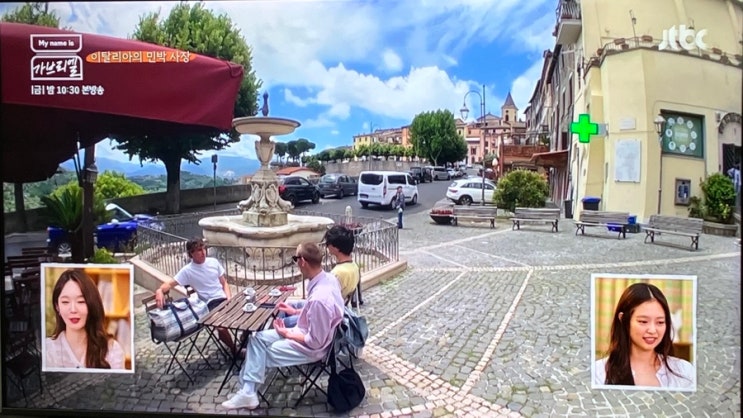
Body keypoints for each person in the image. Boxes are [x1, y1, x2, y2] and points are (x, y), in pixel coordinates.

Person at [221, 242, 345, 410]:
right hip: (303, 331)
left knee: (258, 353)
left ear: (302, 261)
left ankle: (247, 392)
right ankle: (247, 392)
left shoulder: (319, 299)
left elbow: (315, 341)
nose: (296, 263)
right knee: (256, 339)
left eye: (295, 259)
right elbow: (316, 312)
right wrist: (295, 311)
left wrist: (286, 333)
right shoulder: (328, 278)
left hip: (311, 348)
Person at [593, 282, 695, 389]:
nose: (652, 330)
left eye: (660, 322)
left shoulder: (684, 372)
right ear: (623, 320)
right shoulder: (598, 373)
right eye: (643, 321)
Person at [155, 237, 236, 354]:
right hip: (210, 304)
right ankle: (235, 350)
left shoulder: (213, 262)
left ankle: (245, 340)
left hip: (224, 299)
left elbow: (224, 283)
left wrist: (229, 298)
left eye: (203, 248)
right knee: (220, 326)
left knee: (250, 310)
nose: (203, 252)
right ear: (191, 254)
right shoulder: (187, 271)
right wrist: (159, 291)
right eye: (198, 250)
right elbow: (168, 284)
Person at [282, 225, 362, 328]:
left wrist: (296, 312)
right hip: (337, 310)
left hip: (323, 316)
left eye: (328, 243)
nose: (327, 246)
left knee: (283, 320)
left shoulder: (336, 274)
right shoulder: (354, 266)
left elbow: (321, 307)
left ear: (336, 248)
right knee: (291, 304)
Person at [45, 269, 125, 370]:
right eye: (65, 302)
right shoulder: (47, 350)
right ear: (57, 307)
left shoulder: (112, 350)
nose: (73, 310)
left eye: (81, 301)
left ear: (91, 305)